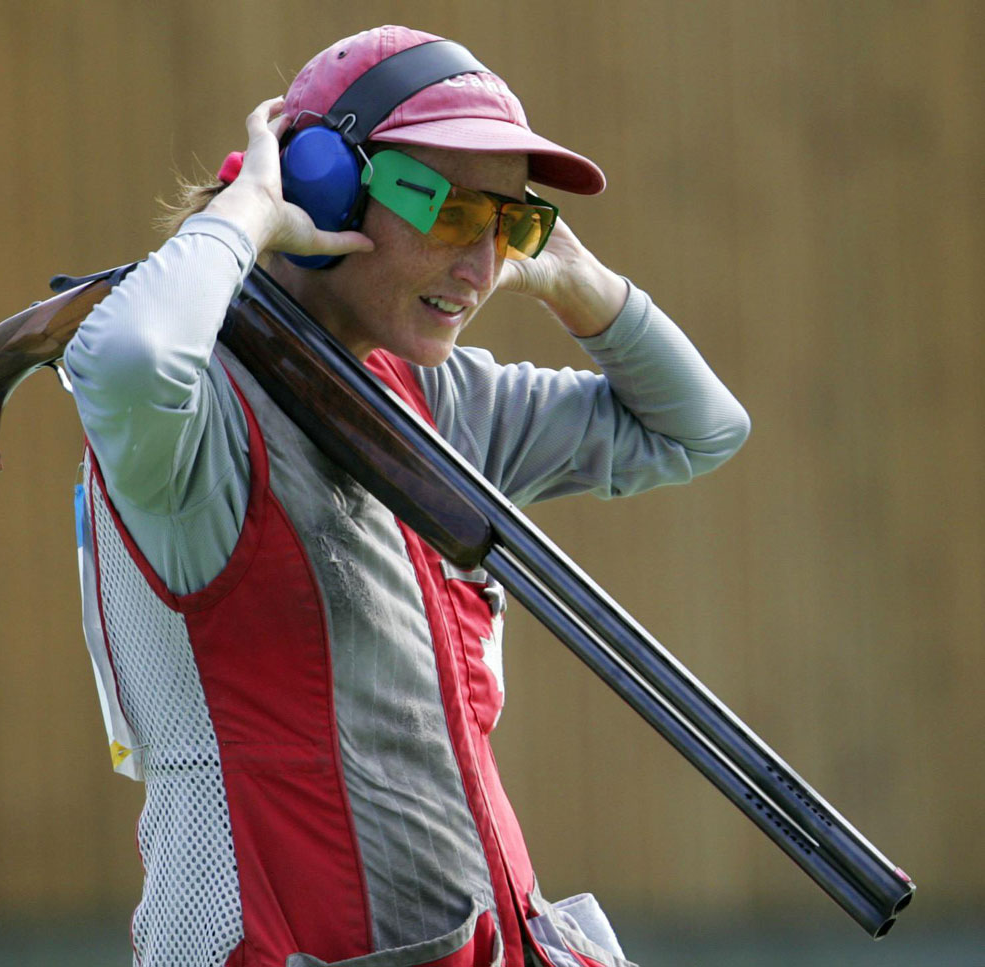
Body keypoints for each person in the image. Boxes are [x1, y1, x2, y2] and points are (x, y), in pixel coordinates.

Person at [64, 24, 749, 967]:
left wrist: (577, 281)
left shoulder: (435, 397)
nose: (484, 269)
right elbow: (123, 355)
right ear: (324, 188)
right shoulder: (194, 416)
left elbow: (699, 429)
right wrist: (247, 213)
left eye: (510, 225)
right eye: (454, 215)